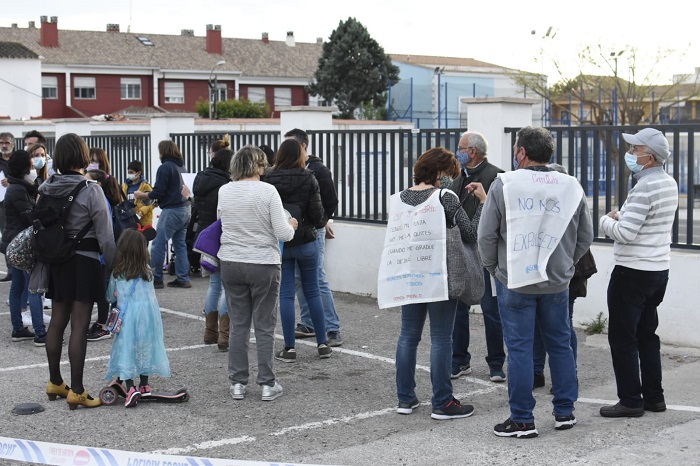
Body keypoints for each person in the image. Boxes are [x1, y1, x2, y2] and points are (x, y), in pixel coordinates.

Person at [478, 126, 593, 438]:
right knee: (560, 343)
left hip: (515, 280)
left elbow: (486, 236)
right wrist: (565, 264)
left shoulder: (504, 183)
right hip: (556, 282)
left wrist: (496, 270)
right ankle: (565, 412)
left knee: (519, 348)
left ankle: (522, 419)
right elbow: (585, 236)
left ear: (521, 153)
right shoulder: (571, 186)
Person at [392, 147, 484, 420]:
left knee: (408, 336)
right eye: (449, 174)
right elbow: (469, 233)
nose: (450, 179)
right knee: (441, 338)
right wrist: (482, 203)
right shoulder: (446, 197)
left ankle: (405, 399)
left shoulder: (400, 199)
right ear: (440, 173)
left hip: (410, 275)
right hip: (440, 275)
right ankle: (442, 402)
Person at [598, 128, 678, 418]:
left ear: (650, 156)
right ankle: (654, 398)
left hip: (632, 272)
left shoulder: (644, 187)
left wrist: (606, 221)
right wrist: (624, 217)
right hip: (658, 270)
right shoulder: (668, 183)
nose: (631, 154)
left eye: (635, 149)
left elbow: (626, 233)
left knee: (622, 338)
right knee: (647, 335)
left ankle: (630, 399)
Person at [36, 133, 116, 409]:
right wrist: (115, 266)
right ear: (82, 157)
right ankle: (78, 390)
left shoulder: (46, 187)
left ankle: (55, 381)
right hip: (84, 260)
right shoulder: (91, 189)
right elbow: (106, 236)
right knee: (80, 324)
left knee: (57, 320)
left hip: (56, 261)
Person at [218, 145, 296, 401]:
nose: (265, 170)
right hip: (263, 262)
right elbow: (283, 233)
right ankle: (266, 383)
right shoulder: (268, 191)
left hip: (230, 261)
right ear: (257, 166)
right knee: (264, 325)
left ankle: (238, 383)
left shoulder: (224, 191)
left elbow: (222, 221)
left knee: (239, 324)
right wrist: (292, 224)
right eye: (263, 165)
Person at [265, 139, 331, 362]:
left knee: (285, 294)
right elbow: (317, 213)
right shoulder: (308, 177)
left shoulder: (268, 178)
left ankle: (290, 348)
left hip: (282, 243)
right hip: (306, 242)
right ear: (300, 154)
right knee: (312, 290)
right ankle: (322, 344)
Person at [533, 164, 597, 390]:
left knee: (562, 326)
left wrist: (568, 260)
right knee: (543, 326)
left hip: (568, 274)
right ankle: (537, 372)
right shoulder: (555, 199)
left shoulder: (569, 199)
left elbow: (585, 236)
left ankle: (569, 375)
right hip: (560, 271)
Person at [450, 131, 506, 382]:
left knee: (490, 310)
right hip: (461, 251)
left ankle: (496, 364)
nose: (457, 152)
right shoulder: (457, 176)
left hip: (485, 255)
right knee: (458, 310)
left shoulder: (497, 176)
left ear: (472, 151)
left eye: (460, 148)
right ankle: (459, 360)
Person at [284, 128, 343, 347]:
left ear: (303, 146)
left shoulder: (318, 169)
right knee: (300, 279)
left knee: (317, 279)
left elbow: (331, 201)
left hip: (312, 231)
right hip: (295, 230)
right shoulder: (289, 170)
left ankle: (332, 327)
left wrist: (322, 222)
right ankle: (308, 323)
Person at [104, 229, 171, 408]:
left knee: (126, 349)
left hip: (127, 319)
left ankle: (130, 388)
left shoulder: (118, 273)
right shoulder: (148, 272)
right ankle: (144, 385)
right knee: (144, 348)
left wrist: (117, 293)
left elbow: (111, 296)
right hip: (148, 318)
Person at [1, 150, 46, 345]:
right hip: (22, 245)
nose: (33, 168)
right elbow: (29, 216)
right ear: (23, 168)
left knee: (18, 286)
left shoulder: (19, 186)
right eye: (30, 165)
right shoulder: (18, 189)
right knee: (33, 288)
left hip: (14, 241)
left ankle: (18, 329)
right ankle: (40, 333)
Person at [134, 140, 191, 289]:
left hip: (172, 211)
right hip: (185, 209)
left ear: (163, 151)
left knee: (158, 244)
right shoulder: (181, 166)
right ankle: (183, 278)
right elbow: (173, 189)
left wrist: (142, 194)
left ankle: (157, 279)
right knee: (180, 245)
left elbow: (159, 191)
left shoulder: (165, 167)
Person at [193, 147, 234, 350]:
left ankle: (210, 332)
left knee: (214, 285)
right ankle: (224, 336)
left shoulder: (201, 179)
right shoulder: (227, 185)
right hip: (222, 235)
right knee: (227, 287)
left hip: (206, 237)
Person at [84, 169, 127, 342]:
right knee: (104, 290)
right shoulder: (101, 199)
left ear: (98, 184)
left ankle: (104, 326)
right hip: (103, 253)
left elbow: (104, 232)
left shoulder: (103, 202)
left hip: (104, 254)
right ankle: (103, 322)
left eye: (88, 181)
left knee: (105, 291)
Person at [121, 160, 155, 228]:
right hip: (128, 219)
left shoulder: (145, 186)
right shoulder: (125, 186)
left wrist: (141, 211)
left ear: (139, 173)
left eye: (131, 172)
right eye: (128, 172)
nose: (129, 174)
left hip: (142, 221)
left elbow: (152, 203)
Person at [0, 132, 15, 282]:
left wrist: (10, 180)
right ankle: (10, 269)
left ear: (12, 144)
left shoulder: (17, 160)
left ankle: (15, 269)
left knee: (12, 236)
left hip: (14, 203)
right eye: (1, 143)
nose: (4, 146)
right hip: (0, 203)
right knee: (5, 237)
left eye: (7, 143)